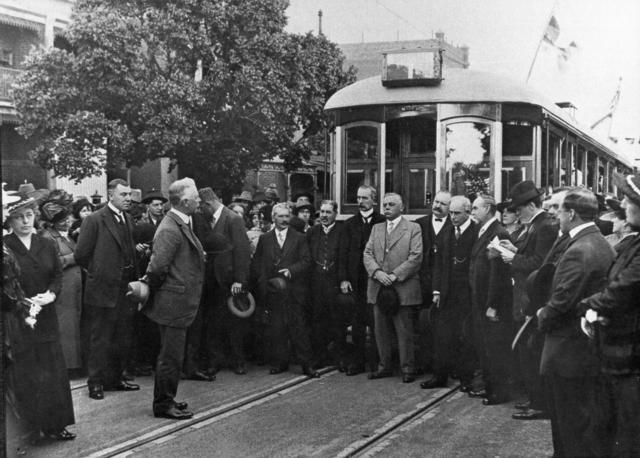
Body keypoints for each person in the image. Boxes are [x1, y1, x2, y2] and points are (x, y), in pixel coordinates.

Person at [535, 188, 615, 457]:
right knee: (580, 421)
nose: (556, 215)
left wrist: (541, 315)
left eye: (560, 210)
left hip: (567, 351)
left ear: (571, 213)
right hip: (583, 348)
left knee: (568, 422)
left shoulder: (579, 249)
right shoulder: (598, 241)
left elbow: (561, 300)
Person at [3, 192, 76, 441]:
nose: (25, 221)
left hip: (45, 314)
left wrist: (52, 294)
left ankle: (56, 424)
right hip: (18, 317)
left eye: (29, 215)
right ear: (9, 221)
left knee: (52, 369)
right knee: (26, 371)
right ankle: (30, 428)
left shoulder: (46, 244)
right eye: (18, 217)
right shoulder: (5, 247)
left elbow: (57, 274)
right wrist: (18, 300)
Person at [579, 172, 640, 457]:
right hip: (618, 354)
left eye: (629, 201)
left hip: (630, 360)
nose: (625, 208)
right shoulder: (635, 245)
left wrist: (590, 306)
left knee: (627, 436)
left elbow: (622, 289)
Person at [142, 178, 205, 420]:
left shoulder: (179, 223)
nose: (199, 200)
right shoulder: (170, 228)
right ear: (186, 201)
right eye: (197, 196)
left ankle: (168, 398)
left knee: (173, 356)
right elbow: (157, 268)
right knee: (170, 357)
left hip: (178, 303)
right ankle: (163, 404)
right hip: (173, 304)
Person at [75, 178, 140, 400]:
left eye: (129, 195)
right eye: (124, 195)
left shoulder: (128, 219)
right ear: (111, 195)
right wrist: (99, 272)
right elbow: (81, 255)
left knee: (122, 336)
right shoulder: (95, 220)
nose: (128, 199)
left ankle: (115, 378)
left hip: (126, 287)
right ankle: (95, 383)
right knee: (100, 337)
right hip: (103, 288)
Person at [497, 180, 557, 420]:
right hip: (525, 297)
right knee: (526, 351)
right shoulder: (536, 225)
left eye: (519, 208)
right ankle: (535, 399)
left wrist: (512, 258)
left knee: (531, 351)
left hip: (532, 299)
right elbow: (532, 256)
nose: (515, 212)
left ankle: (540, 404)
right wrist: (514, 249)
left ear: (532, 205)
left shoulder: (544, 227)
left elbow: (541, 265)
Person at [251, 203, 319, 378]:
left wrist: (291, 271)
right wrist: (262, 282)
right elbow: (257, 263)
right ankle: (279, 363)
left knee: (299, 329)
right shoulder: (265, 239)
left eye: (287, 216)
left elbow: (306, 260)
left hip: (294, 290)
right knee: (277, 328)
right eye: (280, 216)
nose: (284, 220)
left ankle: (307, 365)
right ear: (273, 218)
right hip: (273, 291)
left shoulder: (299, 237)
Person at [363, 193, 423, 383]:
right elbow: (367, 253)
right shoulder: (376, 228)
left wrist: (394, 275)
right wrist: (377, 273)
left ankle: (407, 368)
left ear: (402, 207)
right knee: (380, 330)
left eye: (391, 204)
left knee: (404, 330)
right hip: (378, 286)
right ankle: (384, 366)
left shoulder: (413, 228)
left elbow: (416, 256)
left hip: (402, 287)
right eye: (384, 204)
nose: (386, 207)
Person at [421, 196, 477, 390]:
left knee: (466, 337)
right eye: (451, 213)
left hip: (468, 295)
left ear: (468, 212)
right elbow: (439, 264)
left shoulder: (476, 232)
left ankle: (466, 379)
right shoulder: (447, 233)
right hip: (446, 294)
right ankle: (439, 376)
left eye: (457, 213)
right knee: (442, 336)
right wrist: (436, 290)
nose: (452, 217)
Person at [197, 188, 251, 376]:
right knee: (212, 322)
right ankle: (215, 360)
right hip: (210, 281)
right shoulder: (205, 220)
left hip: (229, 282)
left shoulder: (233, 219)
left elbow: (242, 251)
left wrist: (240, 280)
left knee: (234, 323)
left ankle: (238, 360)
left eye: (201, 206)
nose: (199, 210)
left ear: (208, 203)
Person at [469, 194, 514, 405]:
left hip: (490, 303)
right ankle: (489, 388)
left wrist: (493, 305)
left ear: (488, 209)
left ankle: (498, 392)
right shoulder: (484, 230)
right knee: (485, 347)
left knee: (494, 348)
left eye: (476, 207)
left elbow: (500, 274)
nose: (472, 211)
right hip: (481, 300)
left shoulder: (498, 232)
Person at [338, 185, 386, 376]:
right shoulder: (349, 224)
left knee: (376, 322)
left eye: (364, 198)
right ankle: (357, 362)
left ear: (373, 200)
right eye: (358, 198)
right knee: (357, 323)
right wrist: (343, 279)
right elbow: (342, 253)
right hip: (356, 281)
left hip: (375, 280)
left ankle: (375, 362)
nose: (360, 202)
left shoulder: (382, 222)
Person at [40, 199, 83, 373]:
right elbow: (52, 263)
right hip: (63, 288)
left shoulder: (66, 234)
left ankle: (74, 363)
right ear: (53, 222)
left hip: (73, 287)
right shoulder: (47, 237)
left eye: (68, 218)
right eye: (63, 220)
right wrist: (75, 257)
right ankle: (66, 366)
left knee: (73, 325)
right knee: (65, 326)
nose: (68, 221)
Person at [415, 190, 453, 374]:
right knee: (422, 324)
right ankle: (424, 363)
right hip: (422, 283)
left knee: (444, 327)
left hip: (445, 285)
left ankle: (444, 365)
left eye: (443, 204)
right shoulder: (419, 224)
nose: (437, 206)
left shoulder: (454, 226)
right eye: (436, 202)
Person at [306, 200, 344, 368]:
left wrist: (343, 278)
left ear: (335, 213)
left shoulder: (343, 231)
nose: (324, 216)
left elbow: (345, 256)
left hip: (335, 282)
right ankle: (320, 355)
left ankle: (339, 356)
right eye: (322, 212)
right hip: (316, 282)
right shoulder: (313, 232)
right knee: (317, 320)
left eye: (328, 212)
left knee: (337, 319)